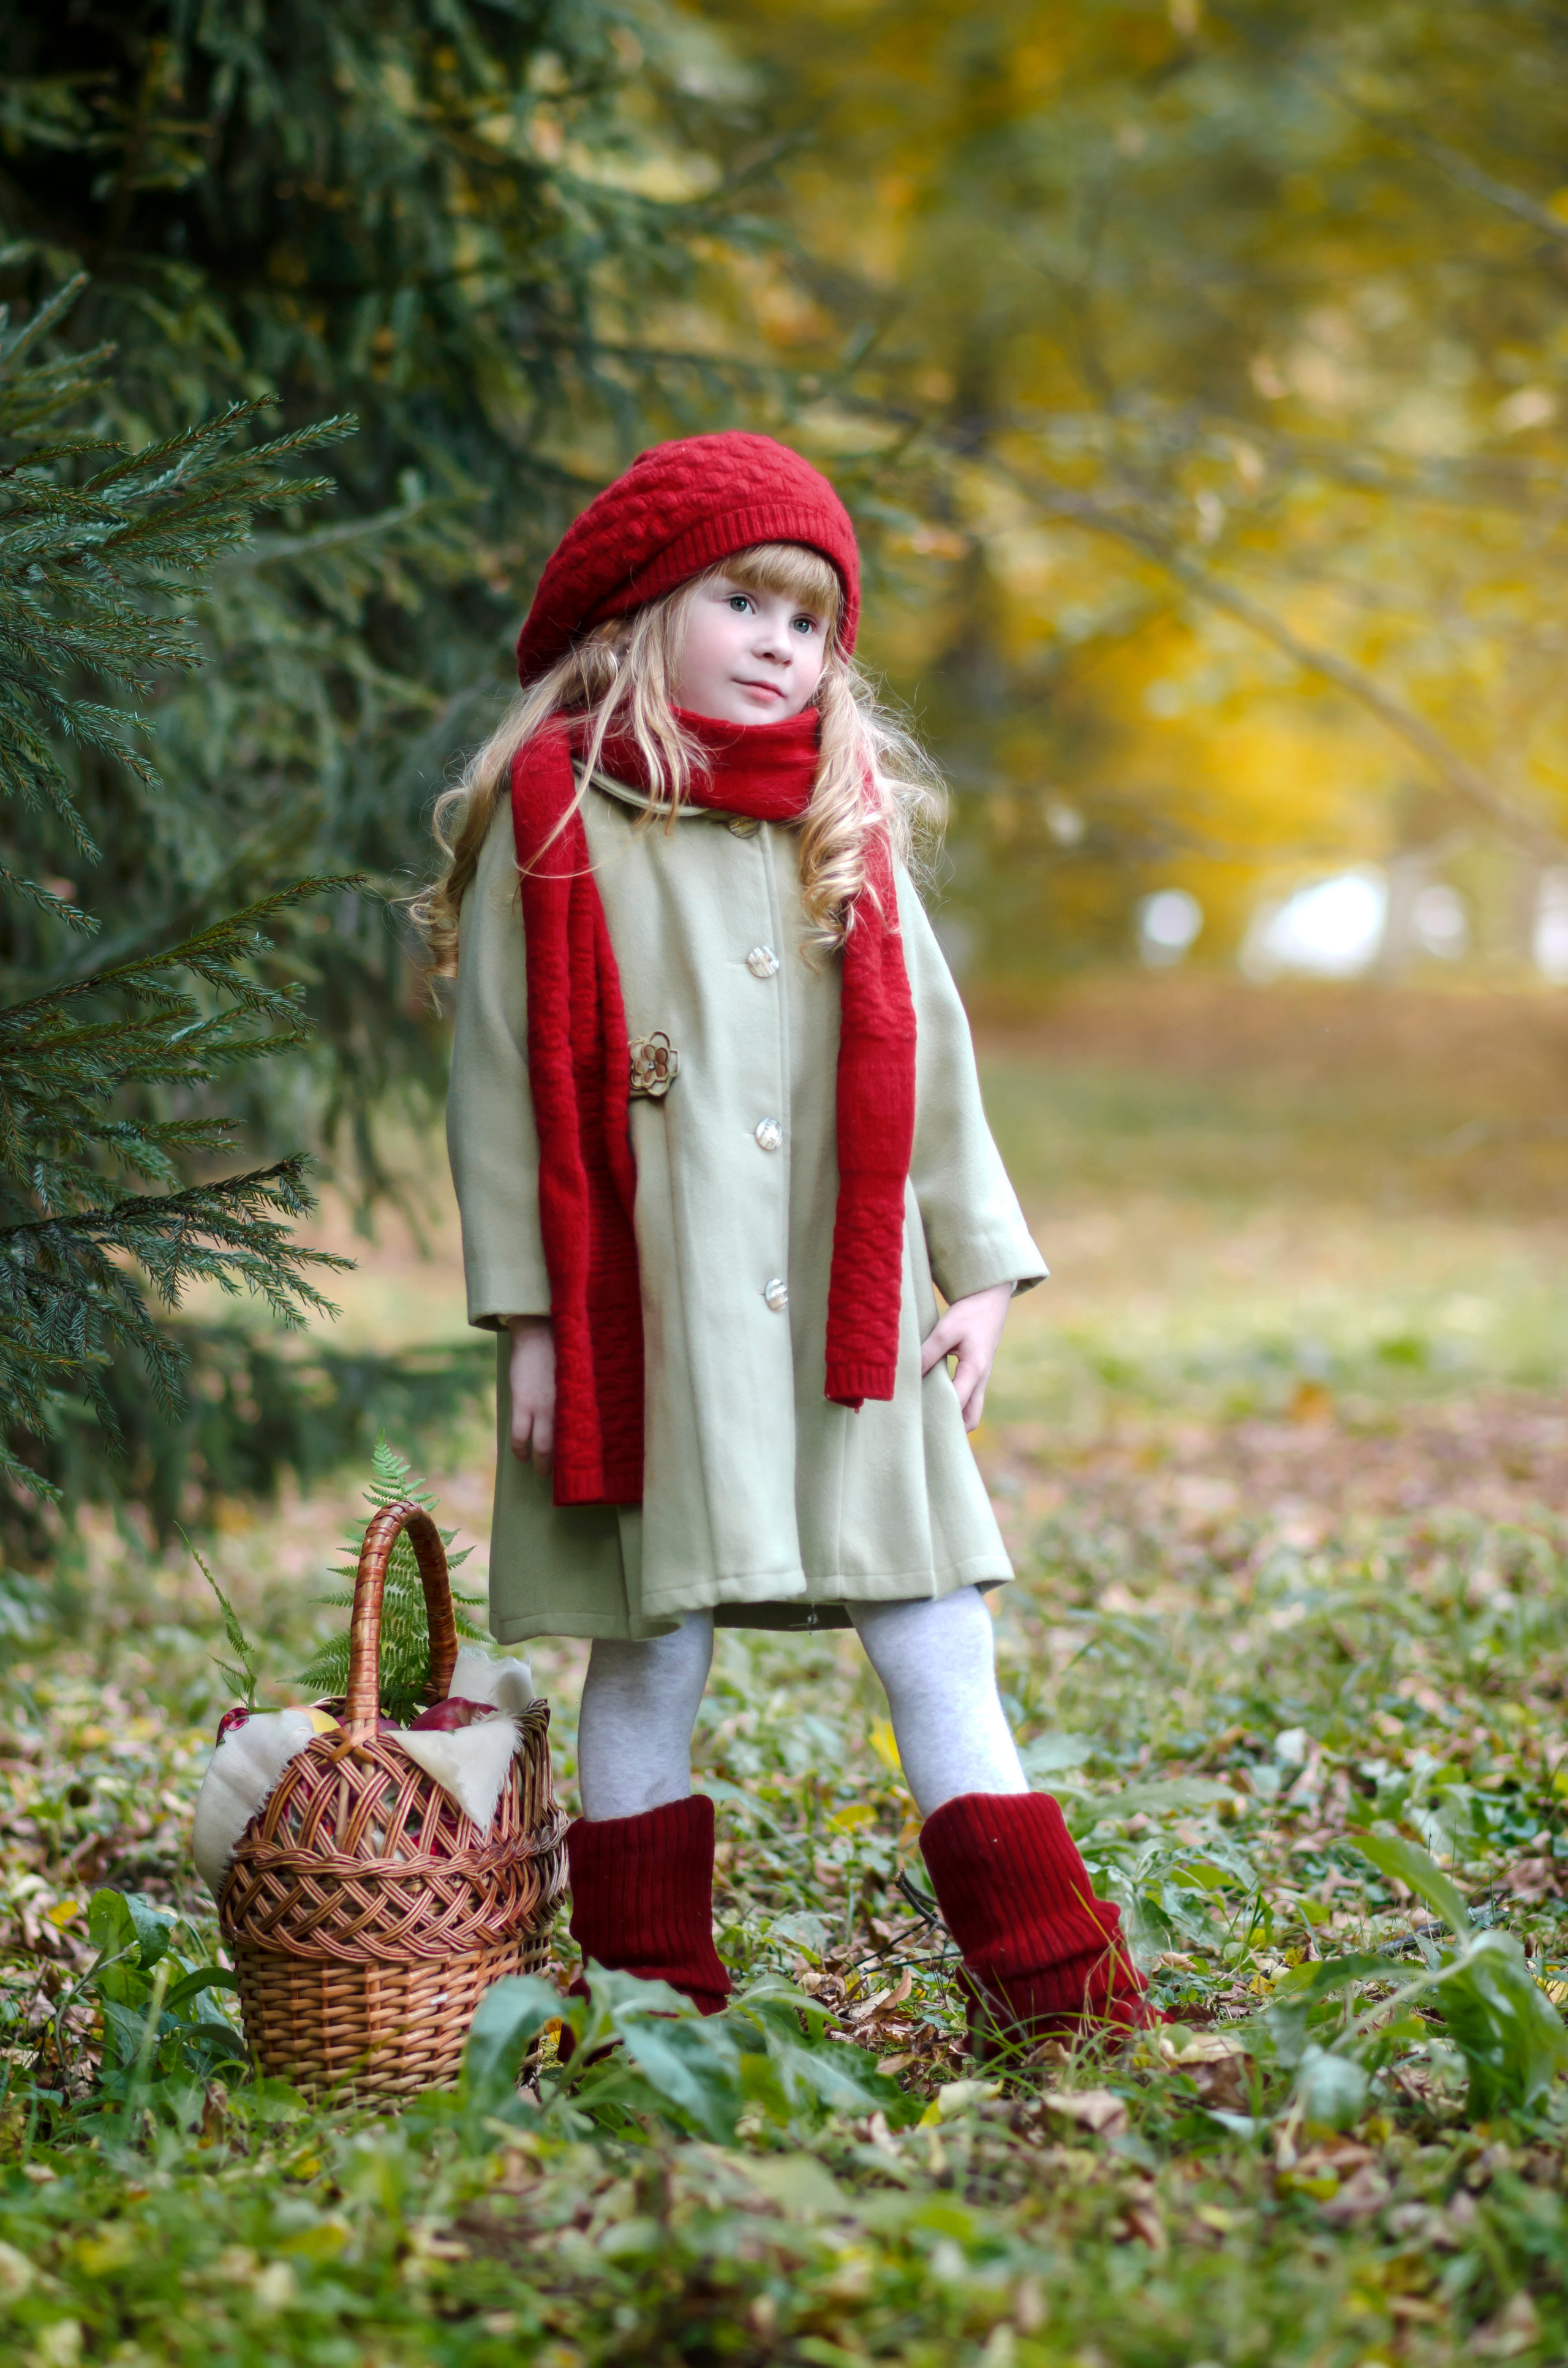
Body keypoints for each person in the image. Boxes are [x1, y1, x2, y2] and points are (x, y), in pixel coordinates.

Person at [416, 431, 1148, 2051]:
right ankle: (644, 2004)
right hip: (648, 1314)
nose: (776, 641)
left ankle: (1066, 1994)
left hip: (847, 1303)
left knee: (938, 1624)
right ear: (637, 615)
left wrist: (980, 1272)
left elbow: (932, 1049)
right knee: (654, 1645)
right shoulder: (556, 816)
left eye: (809, 620)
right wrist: (533, 1320)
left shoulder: (843, 809)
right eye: (740, 600)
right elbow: (498, 1096)